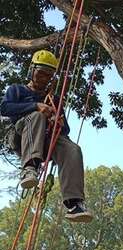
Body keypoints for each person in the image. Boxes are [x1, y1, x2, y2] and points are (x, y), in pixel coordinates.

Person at [0, 49, 93, 223]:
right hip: (23, 137)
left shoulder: (54, 99)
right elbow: (5, 108)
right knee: (36, 116)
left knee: (72, 148)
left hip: (45, 142)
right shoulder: (17, 90)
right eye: (40, 73)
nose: (43, 78)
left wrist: (58, 122)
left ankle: (74, 203)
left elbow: (65, 130)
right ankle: (29, 168)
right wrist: (36, 106)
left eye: (48, 75)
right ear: (32, 70)